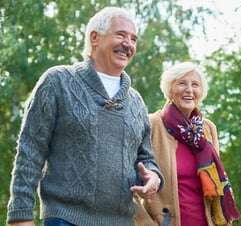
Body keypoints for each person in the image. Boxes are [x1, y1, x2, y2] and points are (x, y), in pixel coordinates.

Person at [6, 7, 163, 226]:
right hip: (65, 219)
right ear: (94, 38)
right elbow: (30, 151)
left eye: (133, 38)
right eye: (121, 35)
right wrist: (20, 216)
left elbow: (146, 159)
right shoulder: (57, 81)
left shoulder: (136, 101)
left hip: (123, 221)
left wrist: (153, 177)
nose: (128, 44)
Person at [133, 62, 240, 226]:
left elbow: (217, 187)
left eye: (195, 85)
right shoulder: (151, 124)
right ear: (169, 90)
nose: (189, 90)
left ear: (201, 92)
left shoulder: (207, 129)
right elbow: (127, 184)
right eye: (182, 83)